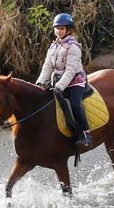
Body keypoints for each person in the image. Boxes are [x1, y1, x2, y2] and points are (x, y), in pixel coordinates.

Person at [35, 13, 91, 152]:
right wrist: (41, 82)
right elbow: (48, 66)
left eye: (62, 28)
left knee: (75, 104)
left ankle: (86, 133)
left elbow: (71, 70)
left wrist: (59, 86)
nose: (59, 31)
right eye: (57, 28)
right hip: (58, 80)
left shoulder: (73, 47)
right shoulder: (53, 46)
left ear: (68, 30)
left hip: (75, 81)